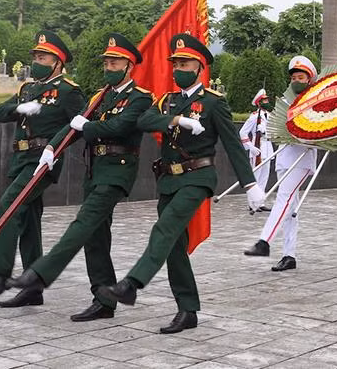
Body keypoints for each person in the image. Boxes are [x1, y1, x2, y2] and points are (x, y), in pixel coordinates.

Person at [99, 33, 264, 334]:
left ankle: (131, 284)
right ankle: (187, 310)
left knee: (164, 228)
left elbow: (232, 144)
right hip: (168, 180)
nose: (178, 69)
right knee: (174, 245)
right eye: (175, 64)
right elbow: (143, 121)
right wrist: (176, 120)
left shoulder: (213, 103)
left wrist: (250, 185)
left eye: (184, 64)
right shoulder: (167, 101)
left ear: (199, 67)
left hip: (197, 177)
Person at [5, 34, 152, 320]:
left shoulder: (140, 97)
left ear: (129, 66)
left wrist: (88, 127)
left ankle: (40, 274)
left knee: (83, 222)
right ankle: (104, 299)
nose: (108, 67)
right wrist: (52, 147)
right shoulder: (101, 96)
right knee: (95, 235)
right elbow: (74, 126)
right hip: (94, 170)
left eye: (115, 62)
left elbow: (120, 127)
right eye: (106, 62)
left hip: (118, 171)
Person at [0, 31, 85, 307]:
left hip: (43, 160)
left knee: (10, 204)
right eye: (36, 57)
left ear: (58, 62)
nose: (37, 62)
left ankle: (1, 273)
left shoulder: (68, 91)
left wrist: (54, 147)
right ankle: (33, 287)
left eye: (43, 58)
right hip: (21, 159)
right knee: (28, 218)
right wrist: (19, 108)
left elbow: (79, 125)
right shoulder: (27, 89)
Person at [243, 57, 319, 272]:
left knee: (283, 199)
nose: (296, 81)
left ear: (309, 79)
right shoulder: (285, 102)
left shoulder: (316, 101)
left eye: (301, 77)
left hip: (302, 158)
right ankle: (289, 255)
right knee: (291, 208)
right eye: (294, 77)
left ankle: (264, 241)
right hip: (284, 157)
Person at [239, 88, 274, 212]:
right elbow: (242, 132)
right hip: (257, 147)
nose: (267, 102)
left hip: (268, 148)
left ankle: (260, 202)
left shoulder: (269, 115)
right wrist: (251, 147)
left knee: (264, 177)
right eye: (264, 100)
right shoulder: (254, 117)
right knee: (255, 177)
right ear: (259, 103)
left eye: (267, 100)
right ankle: (252, 203)